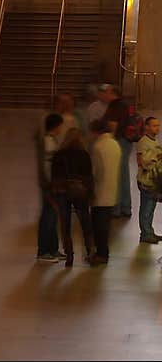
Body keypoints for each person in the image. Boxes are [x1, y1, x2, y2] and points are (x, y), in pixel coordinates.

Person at [51, 128, 95, 266]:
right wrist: (90, 193)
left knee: (65, 225)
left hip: (63, 191)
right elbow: (89, 176)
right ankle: (90, 251)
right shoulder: (84, 155)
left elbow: (54, 176)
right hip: (80, 192)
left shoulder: (58, 155)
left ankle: (69, 255)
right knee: (85, 223)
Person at [89, 119, 121, 264]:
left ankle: (101, 254)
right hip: (112, 189)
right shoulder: (115, 144)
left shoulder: (98, 147)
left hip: (100, 190)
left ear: (96, 131)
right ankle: (103, 252)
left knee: (99, 226)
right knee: (105, 225)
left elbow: (95, 172)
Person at [36, 113, 65, 262]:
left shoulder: (50, 140)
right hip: (50, 185)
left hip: (52, 184)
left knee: (52, 217)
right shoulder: (48, 142)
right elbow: (47, 166)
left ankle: (52, 249)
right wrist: (50, 184)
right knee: (48, 217)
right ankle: (43, 251)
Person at [101, 85, 132, 217]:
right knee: (123, 173)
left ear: (113, 93)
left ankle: (117, 208)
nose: (104, 95)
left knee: (117, 174)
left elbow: (113, 125)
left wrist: (109, 141)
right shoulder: (124, 104)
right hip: (126, 141)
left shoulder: (116, 106)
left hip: (118, 141)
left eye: (106, 93)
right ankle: (125, 207)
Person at [136, 116, 162, 244]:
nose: (157, 128)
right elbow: (141, 161)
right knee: (146, 208)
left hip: (153, 181)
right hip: (146, 180)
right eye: (154, 125)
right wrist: (156, 158)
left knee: (151, 208)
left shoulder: (154, 142)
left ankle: (150, 231)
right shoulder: (143, 142)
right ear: (146, 127)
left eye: (158, 126)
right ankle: (145, 233)